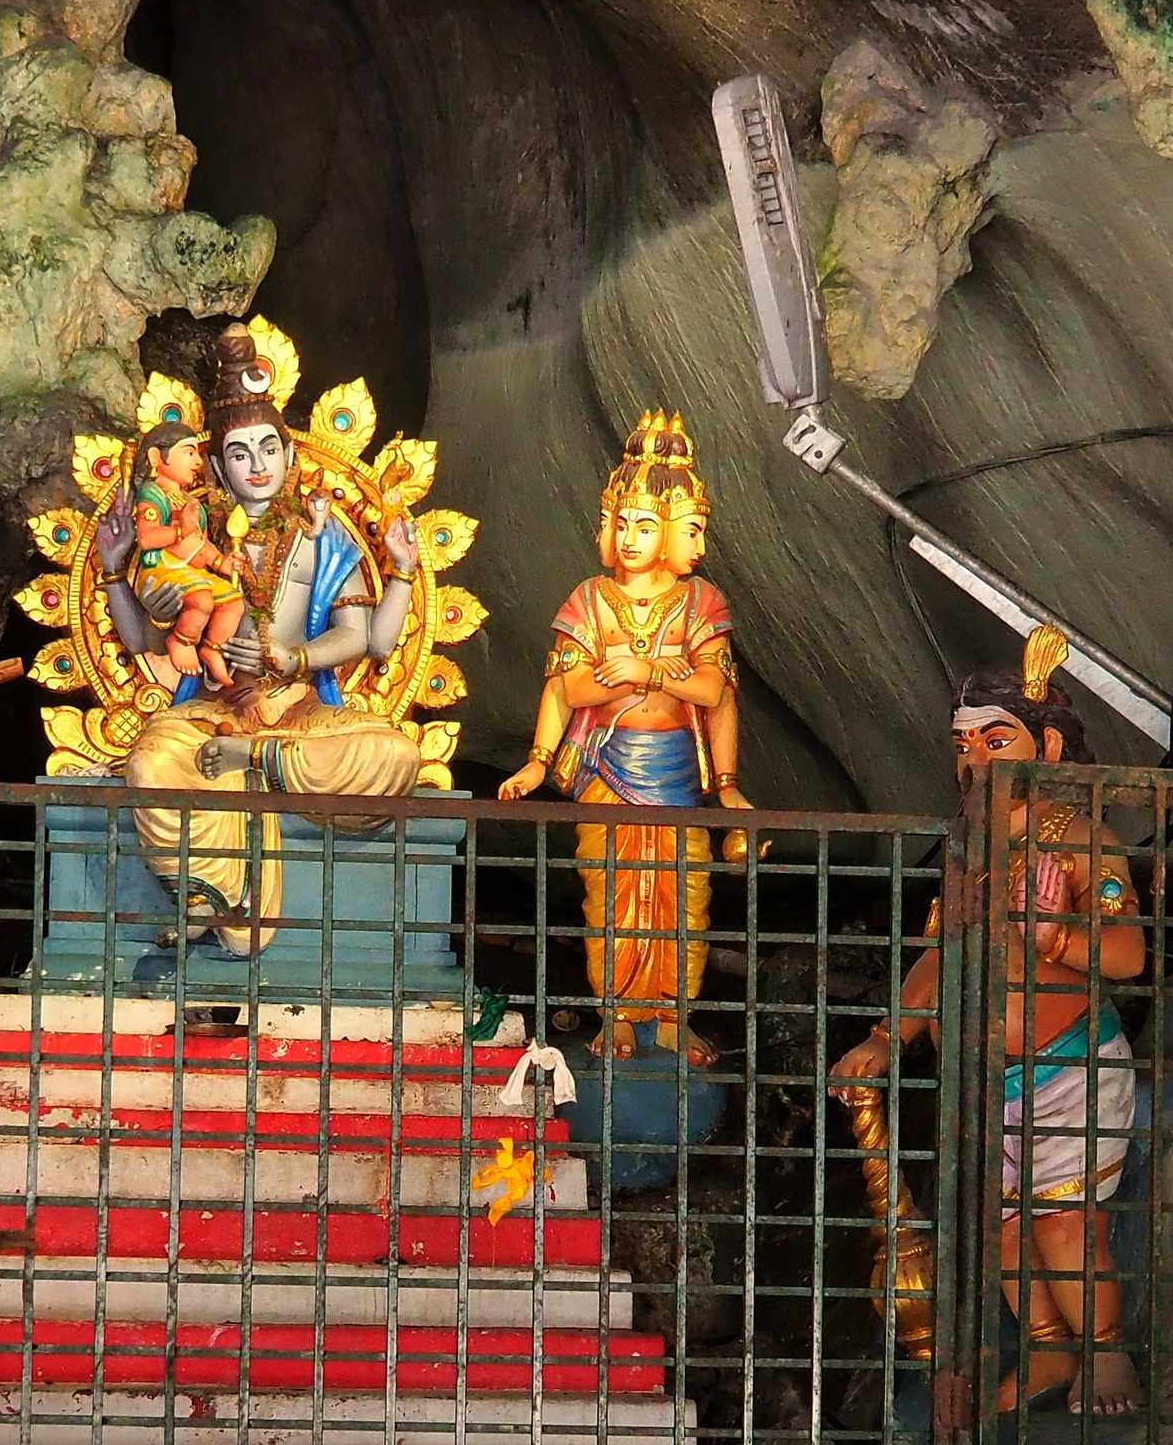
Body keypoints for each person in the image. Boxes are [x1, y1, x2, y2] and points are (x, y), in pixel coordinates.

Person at [830, 626, 1145, 1416]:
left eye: (995, 740)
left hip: (1071, 1066)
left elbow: (1129, 955)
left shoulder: (1084, 842)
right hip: (985, 1077)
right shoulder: (967, 852)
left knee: (1065, 1225)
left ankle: (1106, 1356)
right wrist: (887, 1036)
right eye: (962, 744)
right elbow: (941, 954)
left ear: (1047, 745)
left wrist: (1054, 938)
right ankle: (1046, 1349)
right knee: (1002, 1229)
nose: (974, 760)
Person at [109, 327, 424, 950]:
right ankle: (208, 892)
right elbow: (145, 639)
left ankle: (254, 761)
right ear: (217, 467)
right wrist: (120, 572)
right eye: (239, 453)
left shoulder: (323, 537)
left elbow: (359, 637)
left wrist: (295, 657)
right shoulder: (192, 536)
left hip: (300, 710)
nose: (257, 466)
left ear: (289, 455)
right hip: (216, 711)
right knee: (148, 763)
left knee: (394, 756)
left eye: (268, 449)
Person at [497, 410, 752, 1062]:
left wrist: (725, 783)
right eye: (623, 523)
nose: (631, 538)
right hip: (607, 771)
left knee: (681, 897)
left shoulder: (701, 603)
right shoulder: (589, 599)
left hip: (676, 775)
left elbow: (716, 692)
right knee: (611, 897)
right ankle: (615, 1015)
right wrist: (536, 762)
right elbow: (568, 688)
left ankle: (672, 1017)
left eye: (647, 526)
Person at [126, 408, 243, 687]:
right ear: (156, 457)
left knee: (233, 601)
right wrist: (181, 530)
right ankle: (181, 641)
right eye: (188, 453)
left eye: (197, 454)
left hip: (191, 573)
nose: (198, 462)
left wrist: (221, 563)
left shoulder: (192, 504)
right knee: (201, 599)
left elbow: (201, 544)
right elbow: (147, 539)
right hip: (160, 572)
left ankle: (212, 648)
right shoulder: (152, 494)